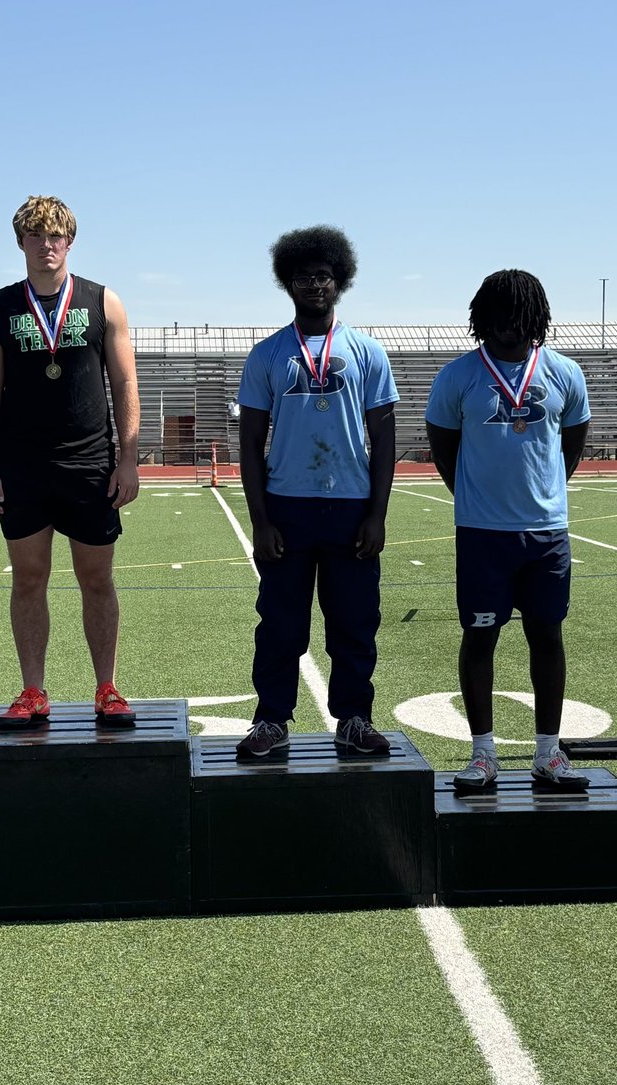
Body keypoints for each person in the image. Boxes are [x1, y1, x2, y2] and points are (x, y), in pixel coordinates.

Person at [0, 195, 141, 729]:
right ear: (20, 242)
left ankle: (107, 687)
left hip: (89, 460)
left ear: (69, 241)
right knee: (28, 578)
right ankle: (32, 689)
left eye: (55, 236)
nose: (46, 245)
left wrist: (130, 459)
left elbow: (124, 382)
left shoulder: (102, 300)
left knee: (97, 578)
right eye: (35, 236)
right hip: (22, 463)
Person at [425, 270, 592, 793]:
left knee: (547, 635)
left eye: (518, 318)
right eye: (497, 319)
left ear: (537, 319)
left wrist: (542, 492)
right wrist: (475, 498)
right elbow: (443, 446)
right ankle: (483, 753)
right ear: (481, 320)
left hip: (546, 533)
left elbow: (572, 443)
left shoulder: (565, 373)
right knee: (480, 637)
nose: (508, 328)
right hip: (482, 534)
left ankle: (548, 752)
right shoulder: (457, 377)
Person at [236, 225, 398, 758]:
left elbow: (384, 437)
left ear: (340, 281)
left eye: (324, 277)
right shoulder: (267, 355)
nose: (314, 286)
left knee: (355, 621)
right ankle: (272, 720)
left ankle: (354, 717)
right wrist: (260, 520)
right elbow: (252, 441)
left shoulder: (368, 352)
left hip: (351, 507)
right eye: (304, 277)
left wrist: (377, 515)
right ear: (288, 282)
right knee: (281, 622)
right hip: (288, 505)